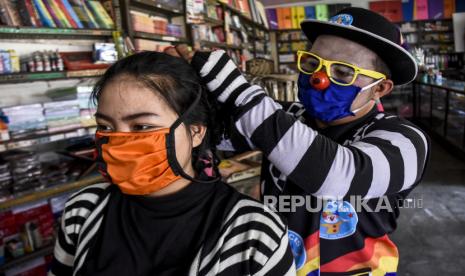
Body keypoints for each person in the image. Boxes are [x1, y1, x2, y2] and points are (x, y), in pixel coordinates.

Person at [166, 7, 430, 276]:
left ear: (380, 88)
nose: (319, 78)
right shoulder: (287, 118)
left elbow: (336, 176)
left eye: (342, 72)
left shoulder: (404, 141)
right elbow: (208, 133)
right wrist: (182, 94)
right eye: (312, 63)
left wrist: (239, 93)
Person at [49, 52, 296, 276]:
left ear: (196, 132)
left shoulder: (256, 234)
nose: (119, 141)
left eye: (142, 127)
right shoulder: (83, 210)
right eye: (105, 127)